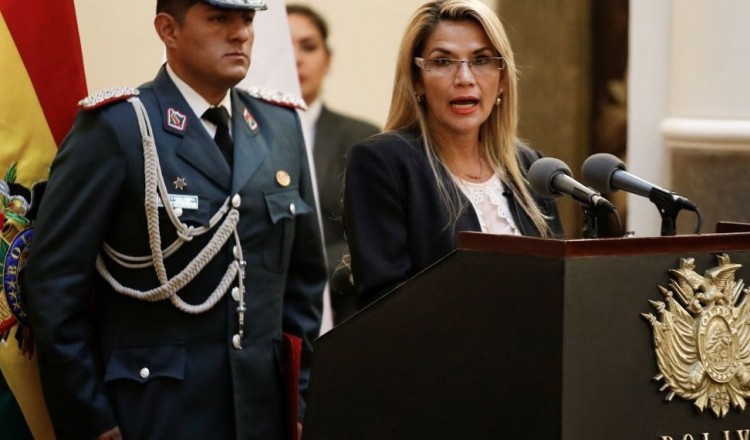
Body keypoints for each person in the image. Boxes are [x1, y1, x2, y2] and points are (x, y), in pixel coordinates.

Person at [24, 0, 326, 439]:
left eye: (247, 19)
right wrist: (91, 417)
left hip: (262, 413)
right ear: (168, 30)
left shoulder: (279, 127)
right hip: (154, 413)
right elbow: (54, 286)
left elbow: (303, 284)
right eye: (219, 19)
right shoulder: (120, 128)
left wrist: (299, 400)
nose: (241, 33)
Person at [343, 0, 565, 307]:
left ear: (502, 79)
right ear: (417, 80)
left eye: (481, 60)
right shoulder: (384, 163)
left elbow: (559, 287)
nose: (464, 78)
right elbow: (384, 301)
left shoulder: (531, 167)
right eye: (443, 62)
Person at [287, 4, 379, 325]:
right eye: (284, 48)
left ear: (328, 59)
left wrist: (299, 273)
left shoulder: (362, 139)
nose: (296, 58)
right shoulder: (235, 134)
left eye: (308, 47)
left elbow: (371, 235)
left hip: (341, 308)